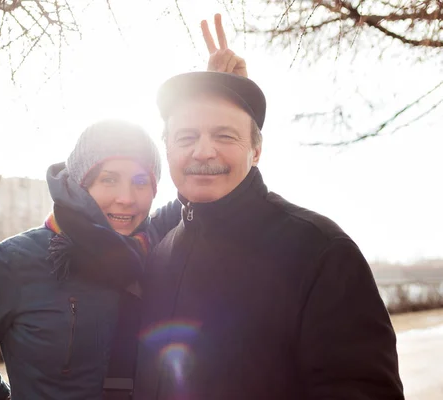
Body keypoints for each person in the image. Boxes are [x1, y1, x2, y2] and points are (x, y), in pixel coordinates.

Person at [134, 18, 405, 400]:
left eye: (224, 135)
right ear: (168, 151)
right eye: (187, 136)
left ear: (256, 151)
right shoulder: (160, 254)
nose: (203, 150)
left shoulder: (318, 251)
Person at [0, 119, 181, 400]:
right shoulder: (19, 261)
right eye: (109, 179)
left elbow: (213, 181)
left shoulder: (157, 241)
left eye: (141, 182)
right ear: (81, 185)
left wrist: (230, 91)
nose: (126, 198)